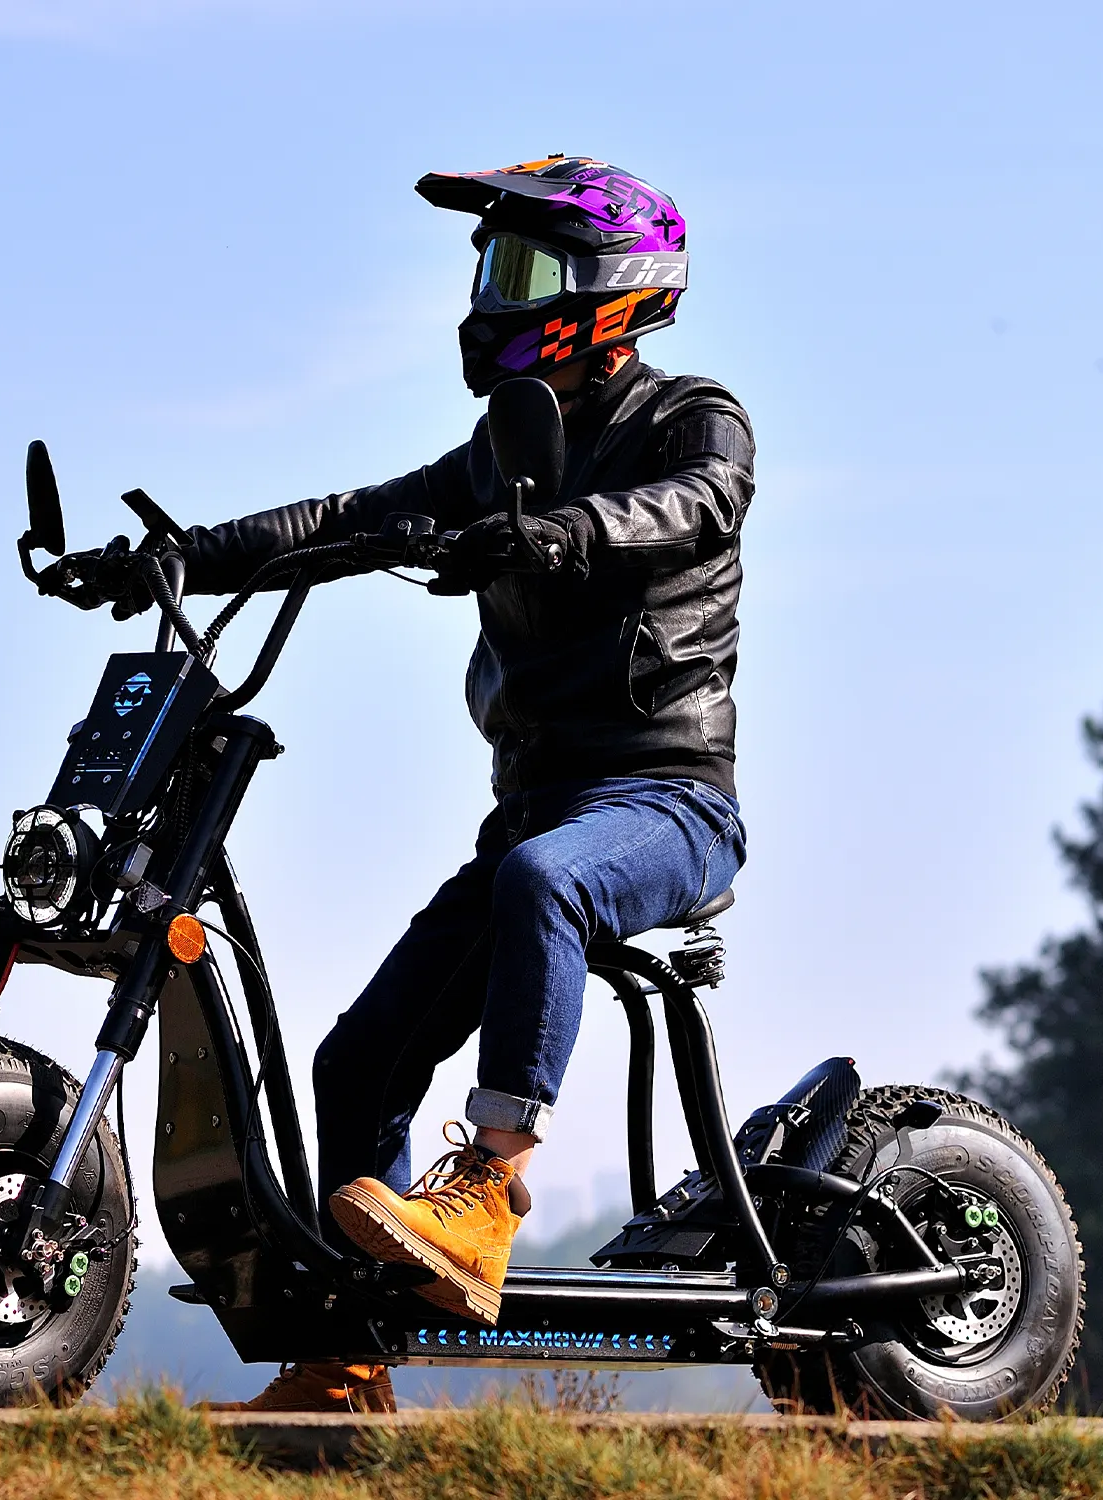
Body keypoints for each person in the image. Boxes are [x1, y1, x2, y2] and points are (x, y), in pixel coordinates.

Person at [186, 157, 754, 1412]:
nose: (496, 295)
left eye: (527, 270)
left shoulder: (692, 417)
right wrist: (178, 555)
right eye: (492, 268)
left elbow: (699, 503)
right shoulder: (500, 451)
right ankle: (348, 1360)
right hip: (538, 813)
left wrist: (562, 532)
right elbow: (352, 515)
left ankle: (489, 1189)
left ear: (612, 288)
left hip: (667, 807)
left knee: (543, 880)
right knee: (357, 1061)